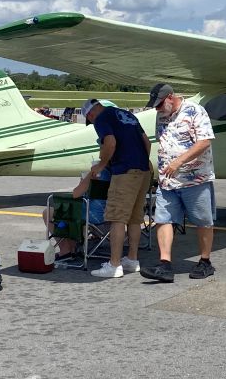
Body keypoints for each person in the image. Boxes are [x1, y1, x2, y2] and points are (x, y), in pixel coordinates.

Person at [140, 83, 216, 283]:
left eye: (159, 104)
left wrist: (179, 162)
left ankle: (205, 261)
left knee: (202, 221)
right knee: (163, 219)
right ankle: (164, 264)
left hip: (195, 179)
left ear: (171, 97)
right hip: (168, 181)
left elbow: (205, 141)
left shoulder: (195, 111)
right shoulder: (161, 115)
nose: (157, 109)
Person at [83, 99, 152, 279]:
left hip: (124, 172)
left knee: (117, 218)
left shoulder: (101, 119)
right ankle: (132, 259)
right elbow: (147, 142)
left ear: (90, 114)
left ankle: (114, 265)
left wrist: (102, 165)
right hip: (144, 170)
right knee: (135, 218)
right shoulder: (127, 114)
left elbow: (110, 143)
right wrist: (142, 162)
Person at [43, 168, 112, 258]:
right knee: (73, 213)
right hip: (108, 217)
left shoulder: (96, 173)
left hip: (89, 217)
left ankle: (66, 249)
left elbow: (76, 194)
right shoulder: (115, 175)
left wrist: (83, 181)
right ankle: (74, 246)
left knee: (48, 213)